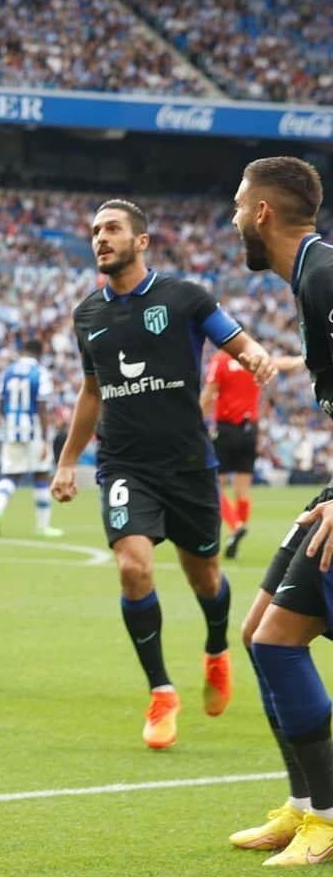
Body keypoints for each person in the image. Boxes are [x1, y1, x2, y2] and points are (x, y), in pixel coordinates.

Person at [50, 199, 274, 749]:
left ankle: (217, 650)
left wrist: (255, 355)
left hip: (188, 465)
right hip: (124, 464)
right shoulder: (88, 315)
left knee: (206, 578)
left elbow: (233, 336)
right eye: (96, 230)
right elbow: (92, 391)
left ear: (142, 240)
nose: (101, 238)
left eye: (113, 229)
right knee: (133, 566)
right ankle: (161, 690)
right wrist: (66, 461)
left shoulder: (184, 297)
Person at [226, 157, 333, 864]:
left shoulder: (325, 276)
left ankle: (326, 816)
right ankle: (303, 808)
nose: (233, 216)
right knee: (257, 632)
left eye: (239, 204)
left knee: (277, 642)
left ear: (263, 213)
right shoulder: (310, 277)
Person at [0, 338, 63, 539]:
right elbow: (42, 405)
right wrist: (46, 440)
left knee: (10, 475)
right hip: (34, 427)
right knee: (41, 473)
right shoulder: (40, 372)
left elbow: (0, 401)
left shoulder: (8, 371)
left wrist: (9, 422)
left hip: (12, 428)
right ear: (39, 353)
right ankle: (43, 526)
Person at [200, 346, 260, 558]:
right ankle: (239, 528)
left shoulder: (221, 360)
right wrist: (299, 359)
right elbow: (282, 364)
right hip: (250, 429)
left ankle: (235, 526)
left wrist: (194, 422)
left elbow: (208, 395)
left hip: (226, 430)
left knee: (216, 485)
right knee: (242, 490)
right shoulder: (255, 358)